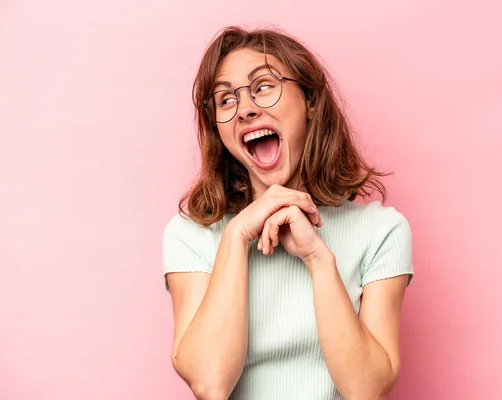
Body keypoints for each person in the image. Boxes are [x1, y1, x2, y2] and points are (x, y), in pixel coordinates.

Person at [162, 26, 414, 400]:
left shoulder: (382, 231)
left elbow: (367, 389)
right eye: (225, 100)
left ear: (310, 100)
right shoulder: (190, 235)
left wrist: (317, 258)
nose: (245, 108)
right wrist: (235, 238)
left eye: (263, 86)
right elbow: (210, 384)